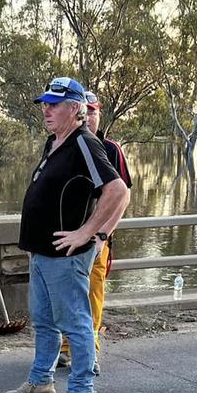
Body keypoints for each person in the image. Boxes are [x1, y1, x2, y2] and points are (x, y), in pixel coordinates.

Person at [3, 77, 130, 393]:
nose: (46, 109)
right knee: (44, 320)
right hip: (42, 252)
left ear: (75, 109)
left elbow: (117, 191)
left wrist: (90, 233)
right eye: (44, 103)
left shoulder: (85, 143)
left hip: (66, 254)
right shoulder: (54, 142)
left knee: (75, 321)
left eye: (54, 104)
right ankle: (41, 380)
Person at [56, 91, 132, 374]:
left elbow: (122, 196)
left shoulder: (110, 149)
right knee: (66, 293)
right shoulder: (63, 144)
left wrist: (103, 235)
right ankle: (65, 347)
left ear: (99, 115)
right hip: (67, 236)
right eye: (83, 111)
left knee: (93, 294)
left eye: (93, 112)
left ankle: (90, 350)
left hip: (97, 240)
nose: (87, 117)